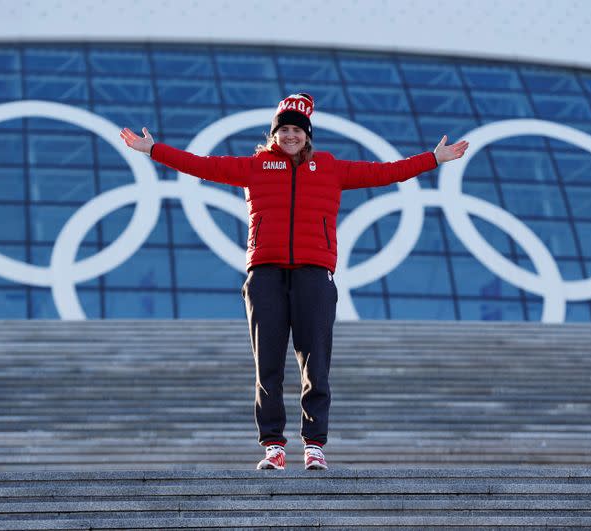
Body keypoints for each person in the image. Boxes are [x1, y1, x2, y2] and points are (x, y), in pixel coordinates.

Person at [121, 93, 468, 470]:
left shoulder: (330, 168)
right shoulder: (254, 167)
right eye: (283, 130)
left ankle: (314, 444)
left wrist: (433, 159)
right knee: (267, 364)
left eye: (296, 130)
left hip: (314, 275)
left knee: (315, 363)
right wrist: (154, 150)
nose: (290, 136)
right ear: (274, 134)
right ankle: (273, 445)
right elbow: (201, 166)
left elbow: (385, 172)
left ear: (307, 135)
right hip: (264, 275)